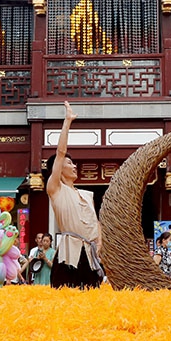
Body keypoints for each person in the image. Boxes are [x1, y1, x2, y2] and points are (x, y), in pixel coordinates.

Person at [46, 101, 103, 288]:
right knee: (64, 295)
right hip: (68, 252)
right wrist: (67, 122)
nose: (74, 166)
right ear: (59, 169)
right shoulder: (55, 189)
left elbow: (96, 222)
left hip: (90, 253)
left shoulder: (87, 195)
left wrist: (99, 244)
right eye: (69, 163)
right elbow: (60, 152)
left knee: (92, 295)